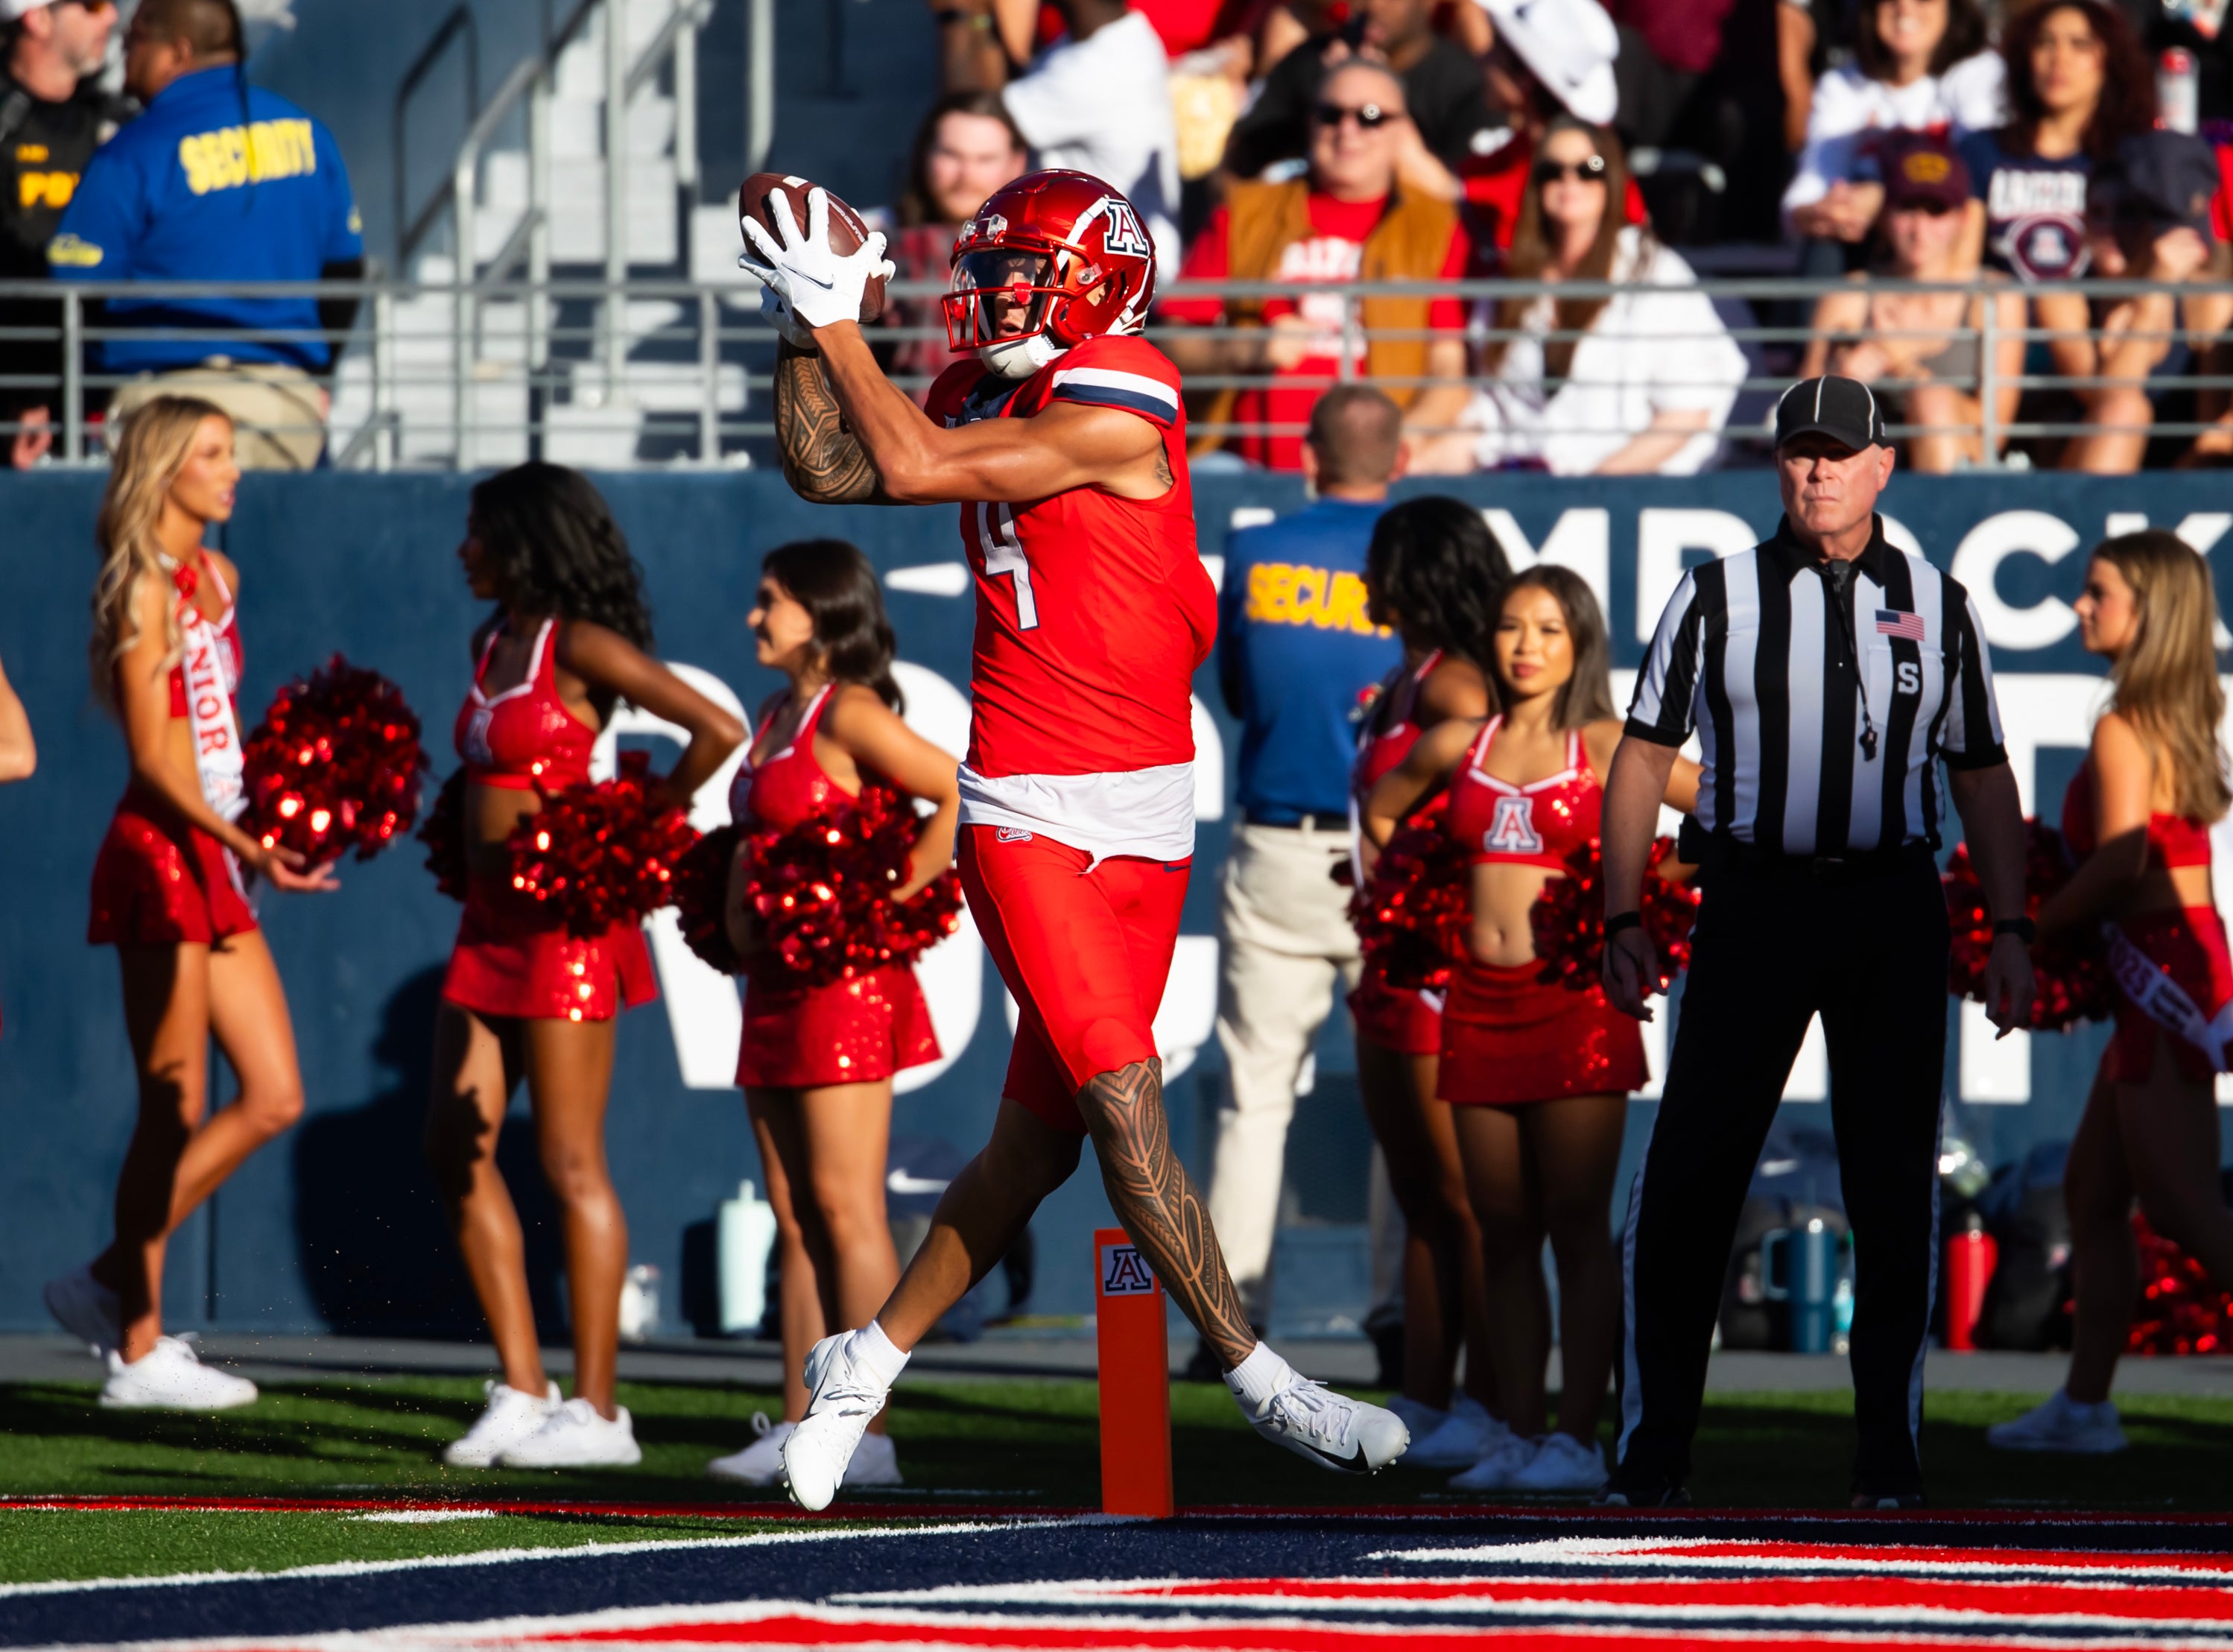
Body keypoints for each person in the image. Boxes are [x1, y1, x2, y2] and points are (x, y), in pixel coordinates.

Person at [744, 165, 1409, 1509]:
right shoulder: (986, 386)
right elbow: (831, 463)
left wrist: (835, 325)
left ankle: (861, 1365)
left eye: (1015, 270)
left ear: (1099, 281)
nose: (984, 293)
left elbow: (915, 459)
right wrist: (791, 319)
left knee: (1033, 1147)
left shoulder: (1127, 385)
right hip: (1027, 806)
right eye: (983, 270)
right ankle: (1260, 1376)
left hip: (1150, 808)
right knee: (1123, 1096)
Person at [1598, 375, 2033, 1509]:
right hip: (1754, 904)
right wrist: (1622, 914)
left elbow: (1980, 770)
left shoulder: (1939, 603)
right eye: (1801, 451)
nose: (1819, 470)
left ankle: (1887, 1453)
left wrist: (2012, 926)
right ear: (1775, 465)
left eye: (1840, 452)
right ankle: (1654, 1449)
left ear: (1884, 466)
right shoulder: (1714, 596)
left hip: (1889, 905)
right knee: (1694, 1175)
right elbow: (1641, 756)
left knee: (1893, 1182)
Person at [427, 463, 744, 1470]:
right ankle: (524, 1388)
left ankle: (601, 1412)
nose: (464, 550)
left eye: (480, 533)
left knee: (569, 1163)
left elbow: (718, 729)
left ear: (527, 540)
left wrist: (637, 824)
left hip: (566, 928)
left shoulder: (582, 644)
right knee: (454, 1145)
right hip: (487, 926)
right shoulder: (491, 643)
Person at [1366, 566, 1699, 1494]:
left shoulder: (1604, 743)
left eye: (1547, 630)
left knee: (1576, 1229)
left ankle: (1575, 1439)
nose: (1525, 646)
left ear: (1579, 642)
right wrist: (1412, 900)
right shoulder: (1456, 744)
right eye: (1512, 627)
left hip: (1575, 1006)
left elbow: (1717, 810)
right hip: (1475, 1003)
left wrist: (1640, 891)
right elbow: (1386, 810)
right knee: (1501, 1231)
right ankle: (1515, 1432)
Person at [42, 396, 334, 1410]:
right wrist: (249, 841)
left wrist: (279, 820)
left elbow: (218, 740)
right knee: (175, 1102)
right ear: (163, 470)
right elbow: (155, 763)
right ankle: (136, 1344)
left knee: (273, 1093)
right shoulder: (139, 590)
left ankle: (113, 1275)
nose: (233, 470)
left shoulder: (219, 577)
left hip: (218, 854)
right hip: (161, 856)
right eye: (212, 454)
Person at [706, 539, 960, 1490]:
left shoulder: (849, 710)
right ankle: (802, 1422)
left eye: (769, 601)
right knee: (792, 1211)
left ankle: (869, 1436)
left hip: (844, 990)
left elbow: (954, 796)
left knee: (848, 1208)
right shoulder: (777, 711)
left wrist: (885, 905)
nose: (754, 617)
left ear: (820, 612)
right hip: (771, 989)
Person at [1988, 535, 2233, 1454]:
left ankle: (2086, 1408)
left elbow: (2125, 856)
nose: (2081, 608)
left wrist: (2028, 924)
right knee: (2094, 1192)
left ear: (2149, 612)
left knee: (2180, 1208)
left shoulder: (2126, 725)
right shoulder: (2164, 714)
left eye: (2098, 594)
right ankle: (2085, 1408)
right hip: (2170, 958)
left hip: (2164, 970)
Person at [1197, 385, 1407, 1367]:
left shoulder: (1257, 549)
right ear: (1398, 459)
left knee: (1254, 1094)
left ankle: (1228, 1316)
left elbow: (1240, 691)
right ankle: (1406, 1307)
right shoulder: (1420, 549)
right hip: (1395, 842)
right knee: (1409, 1091)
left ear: (1307, 455)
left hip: (1280, 839)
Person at [1346, 495, 1521, 1472]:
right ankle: (1423, 1397)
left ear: (1416, 572)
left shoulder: (1459, 685)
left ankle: (1496, 1408)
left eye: (1379, 563)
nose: (1364, 581)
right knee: (1424, 1199)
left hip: (1440, 972)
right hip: (1390, 967)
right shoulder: (1409, 675)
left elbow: (1488, 807)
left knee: (1465, 1201)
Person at [47, 0, 364, 469]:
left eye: (136, 41)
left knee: (157, 545)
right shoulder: (310, 135)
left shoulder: (135, 150)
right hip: (284, 409)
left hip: (165, 406)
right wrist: (314, 377)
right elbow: (345, 275)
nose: (125, 57)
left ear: (177, 53)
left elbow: (71, 287)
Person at [1161, 60, 1473, 471]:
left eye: (1370, 117)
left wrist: (1401, 444)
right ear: (1310, 123)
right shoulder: (1245, 212)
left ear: (1402, 131)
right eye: (1331, 114)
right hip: (1248, 466)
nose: (1348, 130)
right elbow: (1170, 340)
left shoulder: (1437, 228)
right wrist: (1250, 347)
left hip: (1377, 471)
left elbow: (1449, 370)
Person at [1411, 119, 1746, 477]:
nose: (1570, 181)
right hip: (1524, 486)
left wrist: (1593, 491)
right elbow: (1492, 425)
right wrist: (1409, 465)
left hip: (1633, 493)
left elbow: (1686, 413)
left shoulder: (1653, 272)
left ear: (1612, 181)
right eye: (1553, 170)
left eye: (1590, 169)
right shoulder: (1514, 279)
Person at [1798, 135, 2024, 473]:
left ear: (1962, 219)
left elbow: (1996, 433)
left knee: (1930, 400)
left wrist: (1905, 369)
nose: (1920, 229)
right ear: (1886, 214)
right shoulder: (1850, 295)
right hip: (1863, 475)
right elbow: (1797, 418)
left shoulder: (1992, 297)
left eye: (1937, 211)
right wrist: (1838, 379)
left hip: (1964, 473)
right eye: (1908, 209)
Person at [937, 0, 1182, 264]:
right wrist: (982, 21)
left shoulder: (1105, 67)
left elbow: (972, 121)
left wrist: (957, 14)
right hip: (1084, 256)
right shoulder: (1105, 38)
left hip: (1115, 273)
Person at [2044, 130, 2220, 475]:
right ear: (2081, 223)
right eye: (2098, 213)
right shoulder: (2064, 300)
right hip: (2076, 484)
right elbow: (2108, 400)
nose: (2110, 227)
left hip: (2177, 482)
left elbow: (2212, 430)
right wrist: (2154, 292)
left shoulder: (2206, 300)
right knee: (2125, 410)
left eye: (2127, 213)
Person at [0, 0, 123, 469]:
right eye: (92, 5)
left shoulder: (121, 125)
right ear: (38, 16)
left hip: (103, 404)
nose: (111, 16)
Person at [1779, 0, 2001, 257]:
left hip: (1951, 246)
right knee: (1824, 246)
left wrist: (1884, 197)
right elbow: (1811, 184)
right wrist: (1819, 212)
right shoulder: (1842, 85)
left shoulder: (1980, 72)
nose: (1905, 7)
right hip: (1864, 244)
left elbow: (1981, 175)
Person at [1957, 0, 2153, 287]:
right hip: (2004, 320)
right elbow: (1960, 268)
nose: (2059, 57)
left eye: (2080, 44)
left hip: (2096, 320)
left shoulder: (2132, 157)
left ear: (2110, 60)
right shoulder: (1981, 151)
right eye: (2045, 43)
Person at [1222, 0, 1498, 180]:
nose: (1372, 6)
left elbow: (1462, 202)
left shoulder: (1468, 85)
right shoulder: (1310, 62)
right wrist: (1327, 96)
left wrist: (1380, 100)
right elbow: (1236, 167)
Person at [877, 92, 1030, 399]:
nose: (966, 175)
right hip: (905, 423)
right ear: (925, 155)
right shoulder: (874, 238)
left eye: (984, 159)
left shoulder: (1042, 251)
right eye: (950, 155)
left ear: (1017, 163)